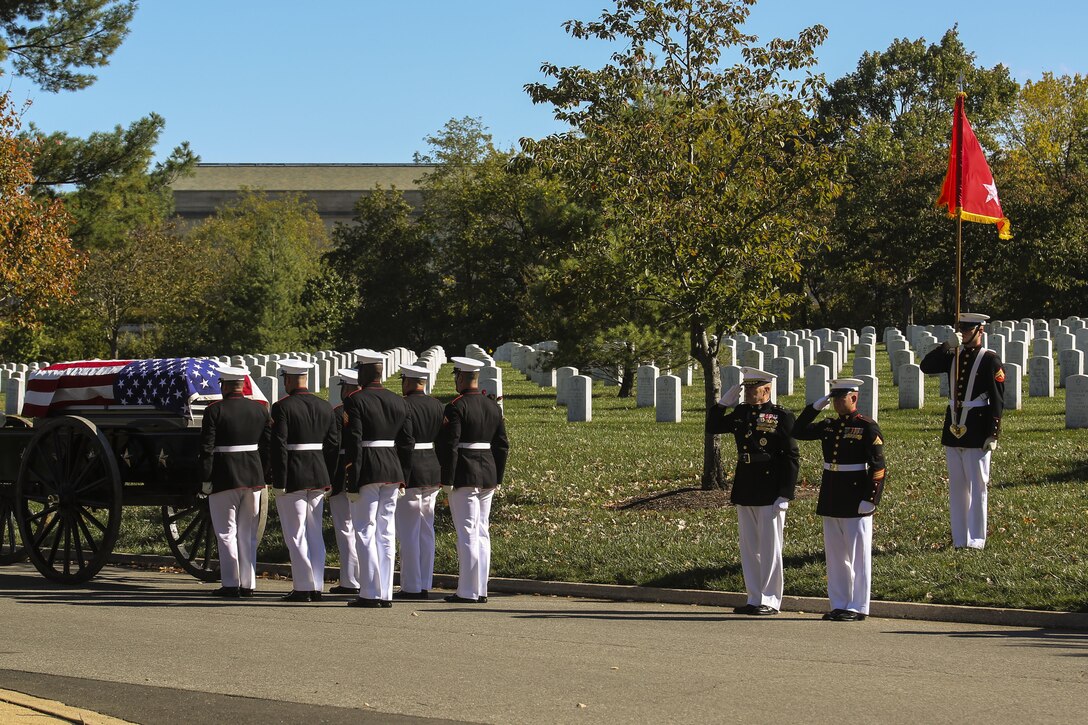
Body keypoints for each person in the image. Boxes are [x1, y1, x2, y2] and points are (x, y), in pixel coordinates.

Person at [706, 367, 799, 616]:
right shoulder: (741, 412)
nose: (747, 392)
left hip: (770, 485)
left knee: (770, 547)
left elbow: (791, 456)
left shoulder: (781, 416)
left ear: (766, 390)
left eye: (751, 388)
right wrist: (721, 404)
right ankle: (754, 596)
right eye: (745, 388)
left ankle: (770, 600)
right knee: (750, 546)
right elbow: (712, 426)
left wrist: (786, 492)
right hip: (746, 482)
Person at [794, 378, 886, 622]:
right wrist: (815, 407)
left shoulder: (867, 427)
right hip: (832, 494)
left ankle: (857, 606)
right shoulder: (829, 425)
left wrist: (871, 497)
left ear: (854, 398)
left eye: (839, 398)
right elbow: (797, 431)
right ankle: (839, 603)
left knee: (858, 555)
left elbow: (878, 466)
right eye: (833, 398)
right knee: (835, 556)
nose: (835, 403)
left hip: (856, 496)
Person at [919, 312, 1005, 550]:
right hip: (954, 426)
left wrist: (993, 433)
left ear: (981, 331)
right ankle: (960, 538)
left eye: (968, 329)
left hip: (977, 428)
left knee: (978, 487)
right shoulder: (953, 354)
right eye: (961, 329)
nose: (964, 333)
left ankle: (977, 539)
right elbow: (925, 366)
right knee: (957, 487)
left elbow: (997, 399)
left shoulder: (990, 360)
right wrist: (947, 345)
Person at [343, 349, 414, 608]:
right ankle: (385, 592)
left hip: (369, 469)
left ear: (362, 372)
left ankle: (369, 592)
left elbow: (355, 441)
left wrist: (353, 478)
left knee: (364, 530)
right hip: (393, 469)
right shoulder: (399, 401)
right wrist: (403, 477)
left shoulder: (355, 400)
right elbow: (407, 443)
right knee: (386, 532)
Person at [438, 356, 510, 604]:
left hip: (464, 474)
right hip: (488, 472)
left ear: (460, 377)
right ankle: (480, 589)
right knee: (481, 531)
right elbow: (502, 446)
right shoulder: (493, 407)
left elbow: (451, 445)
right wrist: (497, 476)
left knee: (467, 531)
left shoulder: (456, 406)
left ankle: (467, 591)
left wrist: (446, 478)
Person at [200, 364, 271, 598]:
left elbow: (207, 448)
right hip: (253, 477)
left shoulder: (214, 411)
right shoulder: (260, 410)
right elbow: (267, 447)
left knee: (226, 532)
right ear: (241, 385)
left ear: (225, 385)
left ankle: (230, 583)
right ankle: (248, 584)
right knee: (247, 533)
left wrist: (206, 477)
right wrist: (264, 473)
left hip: (224, 476)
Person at [270, 358, 338, 603]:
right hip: (319, 474)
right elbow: (332, 445)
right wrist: (327, 475)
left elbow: (279, 445)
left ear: (288, 379)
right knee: (313, 532)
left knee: (295, 533)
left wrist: (279, 479)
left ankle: (302, 587)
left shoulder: (282, 407)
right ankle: (316, 585)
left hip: (294, 475)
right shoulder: (324, 406)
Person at [394, 363, 444, 600]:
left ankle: (411, 585)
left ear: (407, 381)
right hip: (432, 468)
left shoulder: (404, 405)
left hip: (412, 470)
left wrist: (401, 475)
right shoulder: (437, 404)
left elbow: (404, 443)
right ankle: (425, 582)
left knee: (408, 531)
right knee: (426, 529)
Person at [327, 368, 362, 595]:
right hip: (369, 474)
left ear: (348, 388)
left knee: (345, 528)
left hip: (343, 475)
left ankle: (350, 579)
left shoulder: (341, 411)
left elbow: (332, 447)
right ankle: (363, 577)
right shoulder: (370, 408)